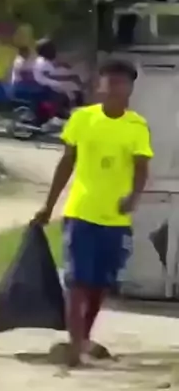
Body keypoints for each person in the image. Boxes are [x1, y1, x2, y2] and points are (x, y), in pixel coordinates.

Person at [33, 58, 153, 367]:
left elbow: (141, 168)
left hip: (115, 219)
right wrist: (49, 205)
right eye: (109, 81)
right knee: (77, 281)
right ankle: (74, 348)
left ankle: (83, 338)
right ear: (99, 85)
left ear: (130, 89)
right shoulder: (82, 119)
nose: (114, 88)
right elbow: (66, 163)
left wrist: (133, 197)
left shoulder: (137, 126)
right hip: (81, 213)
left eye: (121, 82)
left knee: (100, 285)